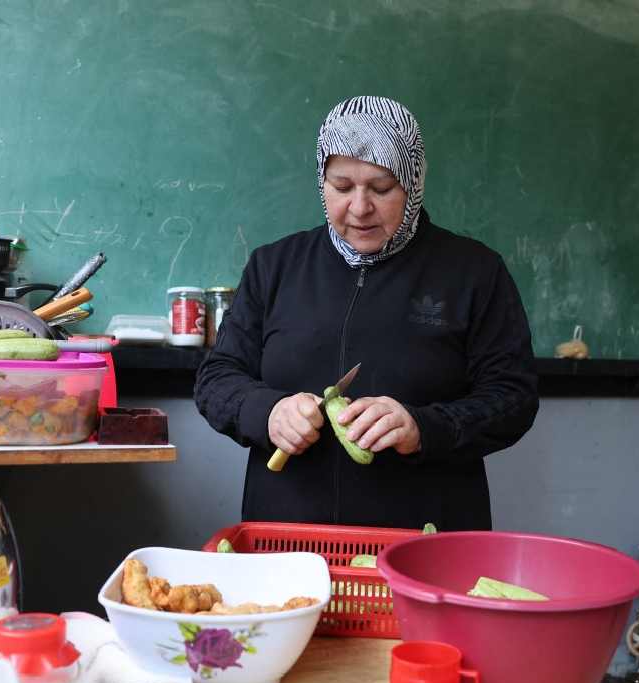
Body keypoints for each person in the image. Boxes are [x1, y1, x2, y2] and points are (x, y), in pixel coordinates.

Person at [194, 96, 539, 530]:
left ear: (413, 183)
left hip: (425, 541)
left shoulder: (474, 272)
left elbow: (514, 398)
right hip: (286, 540)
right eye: (341, 187)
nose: (359, 208)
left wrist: (424, 427)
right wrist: (268, 413)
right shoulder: (274, 266)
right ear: (322, 181)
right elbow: (216, 378)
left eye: (381, 188)